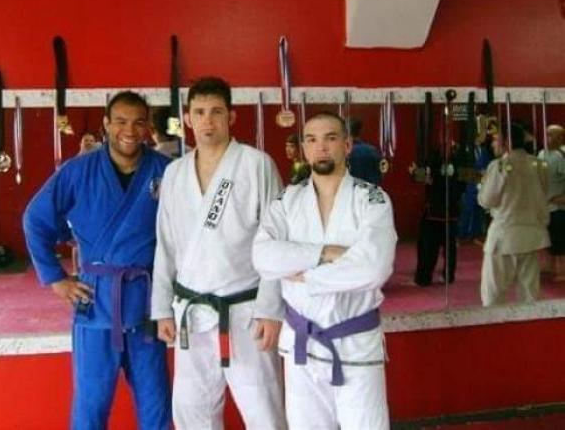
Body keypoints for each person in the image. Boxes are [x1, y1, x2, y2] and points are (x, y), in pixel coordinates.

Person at [23, 91, 171, 430]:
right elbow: (35, 219)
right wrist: (55, 278)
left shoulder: (165, 170)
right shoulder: (78, 170)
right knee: (91, 405)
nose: (129, 131)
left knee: (157, 405)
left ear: (148, 126)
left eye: (138, 122)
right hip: (96, 300)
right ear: (106, 124)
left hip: (148, 302)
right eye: (120, 121)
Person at [151, 77, 286, 430]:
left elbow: (278, 242)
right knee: (192, 412)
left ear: (231, 116)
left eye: (216, 112)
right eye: (199, 112)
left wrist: (271, 309)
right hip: (191, 313)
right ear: (187, 118)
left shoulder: (257, 165)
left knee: (264, 411)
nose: (207, 121)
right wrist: (162, 308)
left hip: (247, 311)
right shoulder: (175, 172)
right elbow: (166, 244)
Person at [253, 111, 396, 430]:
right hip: (301, 345)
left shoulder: (372, 199)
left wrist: (304, 275)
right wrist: (326, 253)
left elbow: (374, 268)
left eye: (330, 138)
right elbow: (262, 256)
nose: (321, 147)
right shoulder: (287, 199)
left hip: (355, 344)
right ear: (304, 148)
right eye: (312, 140)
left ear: (347, 145)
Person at [478, 122, 550, 306]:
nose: (493, 143)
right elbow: (544, 193)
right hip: (531, 236)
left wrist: (481, 186)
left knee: (493, 296)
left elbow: (486, 200)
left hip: (504, 236)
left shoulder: (500, 165)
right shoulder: (539, 164)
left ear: (506, 142)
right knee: (530, 296)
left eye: (496, 139)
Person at [414, 148, 465, 286]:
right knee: (450, 246)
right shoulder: (459, 159)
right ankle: (449, 276)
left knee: (429, 247)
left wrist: (414, 172)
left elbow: (422, 177)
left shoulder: (434, 158)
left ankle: (424, 278)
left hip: (435, 211)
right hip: (451, 211)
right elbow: (466, 179)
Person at [537, 124, 565, 280]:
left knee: (559, 238)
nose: (546, 138)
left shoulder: (562, 155)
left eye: (550, 135)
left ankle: (562, 270)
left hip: (558, 205)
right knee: (547, 238)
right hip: (545, 204)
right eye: (546, 134)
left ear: (560, 138)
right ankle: (549, 265)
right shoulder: (541, 153)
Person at [348, 117, 383, 185]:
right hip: (369, 189)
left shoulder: (339, 152)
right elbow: (380, 174)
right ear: (361, 131)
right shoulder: (373, 151)